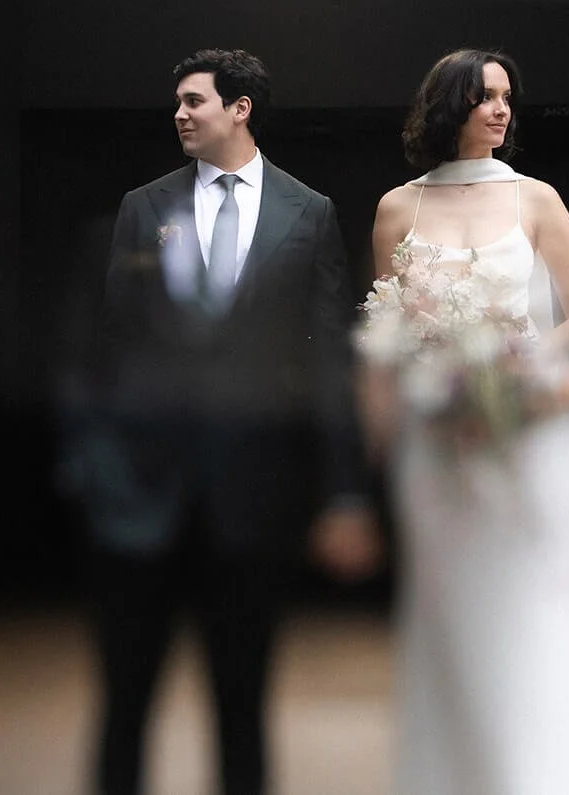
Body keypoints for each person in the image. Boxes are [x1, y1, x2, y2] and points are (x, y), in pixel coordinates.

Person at [73, 48, 380, 795]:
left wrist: (344, 493)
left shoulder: (309, 213)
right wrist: (96, 469)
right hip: (142, 499)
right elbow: (108, 348)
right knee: (124, 703)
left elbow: (330, 364)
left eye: (194, 101)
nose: (179, 114)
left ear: (240, 109)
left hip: (254, 500)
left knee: (242, 705)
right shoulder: (144, 207)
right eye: (177, 102)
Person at [362, 49, 569, 795]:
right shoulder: (396, 209)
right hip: (436, 449)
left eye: (507, 98)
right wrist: (373, 461)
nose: (500, 109)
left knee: (530, 622)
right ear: (448, 105)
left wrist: (521, 370)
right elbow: (388, 333)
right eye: (484, 96)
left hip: (525, 440)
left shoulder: (538, 199)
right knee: (447, 625)